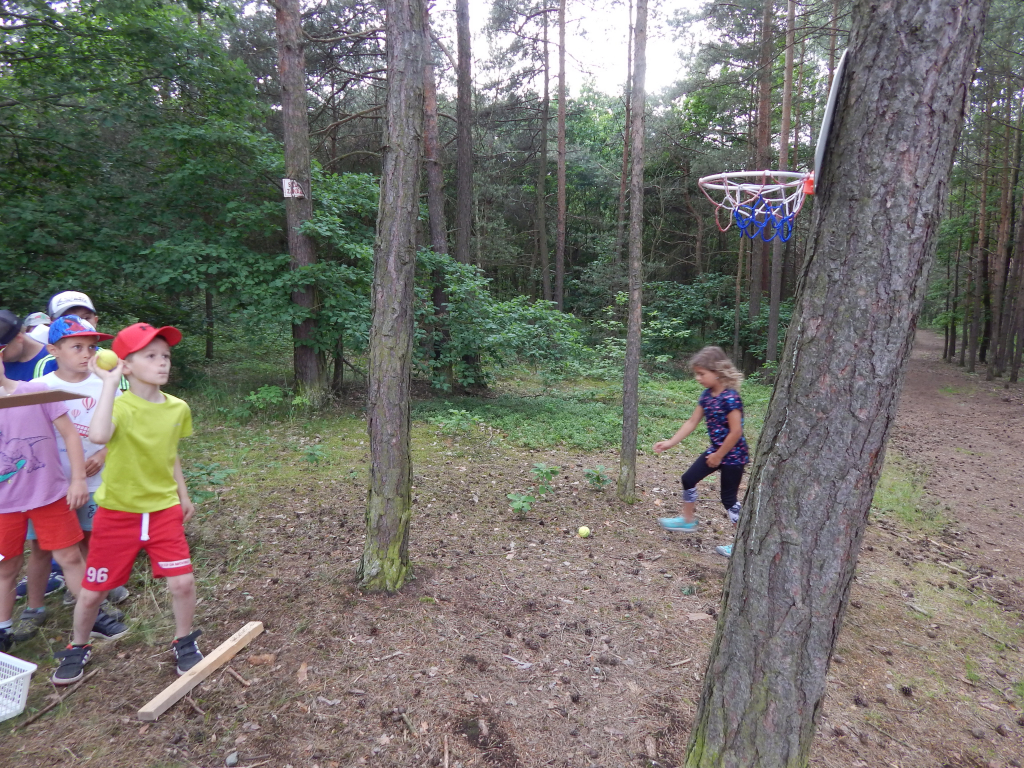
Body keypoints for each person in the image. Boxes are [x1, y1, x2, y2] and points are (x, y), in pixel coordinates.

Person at [53, 323, 201, 684]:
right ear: (126, 365)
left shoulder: (178, 408)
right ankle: (78, 645)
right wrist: (108, 383)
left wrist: (183, 495)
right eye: (151, 356)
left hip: (163, 510)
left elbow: (171, 454)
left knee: (182, 583)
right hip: (117, 515)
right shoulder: (118, 406)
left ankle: (184, 641)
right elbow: (99, 434)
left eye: (165, 356)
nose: (162, 362)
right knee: (92, 594)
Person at [0, 313, 126, 654]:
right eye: (77, 347)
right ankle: (17, 619)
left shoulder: (39, 391)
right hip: (14, 498)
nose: (86, 354)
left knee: (75, 550)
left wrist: (84, 473)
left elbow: (77, 433)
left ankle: (91, 609)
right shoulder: (41, 387)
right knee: (16, 560)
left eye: (91, 347)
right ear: (54, 350)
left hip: (54, 490)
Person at [652, 346, 749, 558]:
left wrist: (719, 456)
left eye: (701, 374)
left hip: (733, 456)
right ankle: (687, 520)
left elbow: (736, 432)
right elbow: (692, 421)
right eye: (697, 374)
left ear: (717, 372)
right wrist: (670, 442)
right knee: (688, 479)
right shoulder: (707, 396)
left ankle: (742, 544)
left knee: (729, 499)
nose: (698, 378)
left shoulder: (731, 398)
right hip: (715, 452)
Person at [0, 309, 58, 381]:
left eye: (1, 349)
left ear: (19, 338)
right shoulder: (3, 364)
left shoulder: (55, 362)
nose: (0, 356)